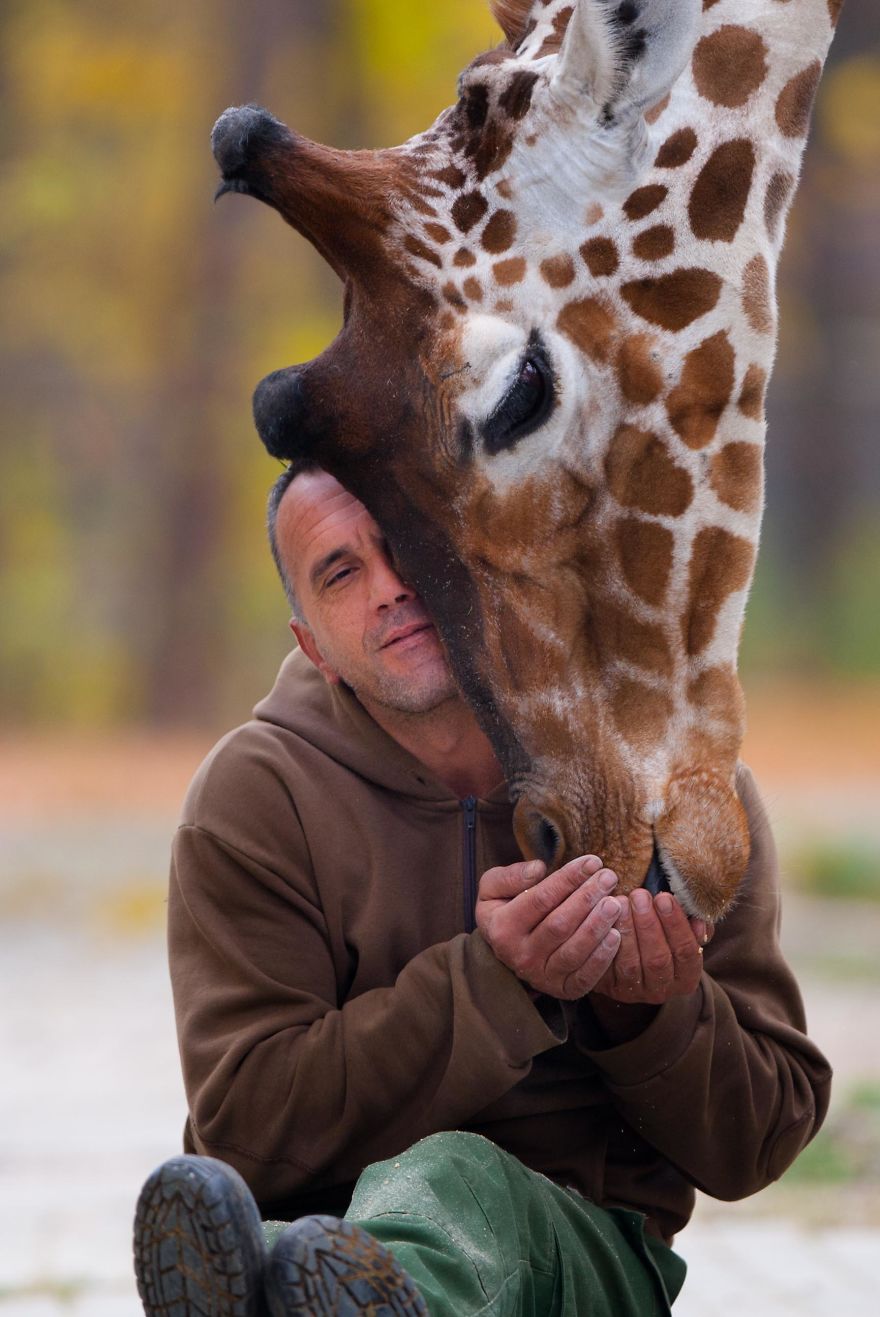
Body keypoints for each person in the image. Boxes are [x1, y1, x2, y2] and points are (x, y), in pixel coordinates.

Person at [133, 461, 831, 1317]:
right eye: (342, 571)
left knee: (455, 1180)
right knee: (295, 1230)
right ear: (311, 640)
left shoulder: (668, 773)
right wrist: (492, 986)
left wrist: (652, 1014)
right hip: (331, 1225)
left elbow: (760, 1139)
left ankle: (289, 1291)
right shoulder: (252, 798)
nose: (390, 586)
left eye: (407, 543)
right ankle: (313, 1286)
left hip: (587, 1253)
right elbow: (241, 1132)